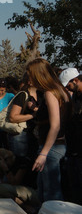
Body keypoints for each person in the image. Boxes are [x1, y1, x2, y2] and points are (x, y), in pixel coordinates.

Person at [28, 58, 72, 202]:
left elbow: (55, 125)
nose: (29, 79)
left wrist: (43, 153)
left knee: (50, 193)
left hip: (51, 148)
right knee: (45, 189)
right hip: (57, 146)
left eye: (30, 75)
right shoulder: (61, 91)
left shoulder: (50, 93)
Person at [61, 68, 82, 205]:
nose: (67, 88)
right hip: (75, 146)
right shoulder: (76, 96)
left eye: (68, 85)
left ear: (75, 80)